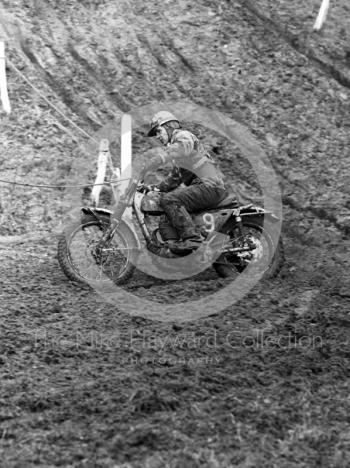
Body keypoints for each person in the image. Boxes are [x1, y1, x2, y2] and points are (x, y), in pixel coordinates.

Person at [145, 110, 228, 252]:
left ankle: (193, 239)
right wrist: (154, 188)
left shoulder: (183, 136)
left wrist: (154, 161)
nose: (157, 137)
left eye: (158, 131)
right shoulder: (179, 155)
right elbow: (175, 178)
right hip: (203, 186)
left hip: (209, 185)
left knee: (169, 200)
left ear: (169, 126)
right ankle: (172, 249)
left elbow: (180, 148)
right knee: (165, 207)